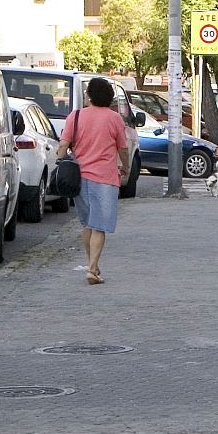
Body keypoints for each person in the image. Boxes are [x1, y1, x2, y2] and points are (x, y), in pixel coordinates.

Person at [58, 76, 131, 285]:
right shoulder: (114, 118)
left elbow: (64, 144)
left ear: (88, 96)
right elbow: (123, 148)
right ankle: (91, 269)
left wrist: (60, 160)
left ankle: (93, 264)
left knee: (88, 224)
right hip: (105, 178)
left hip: (79, 178)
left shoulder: (76, 116)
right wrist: (125, 167)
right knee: (99, 225)